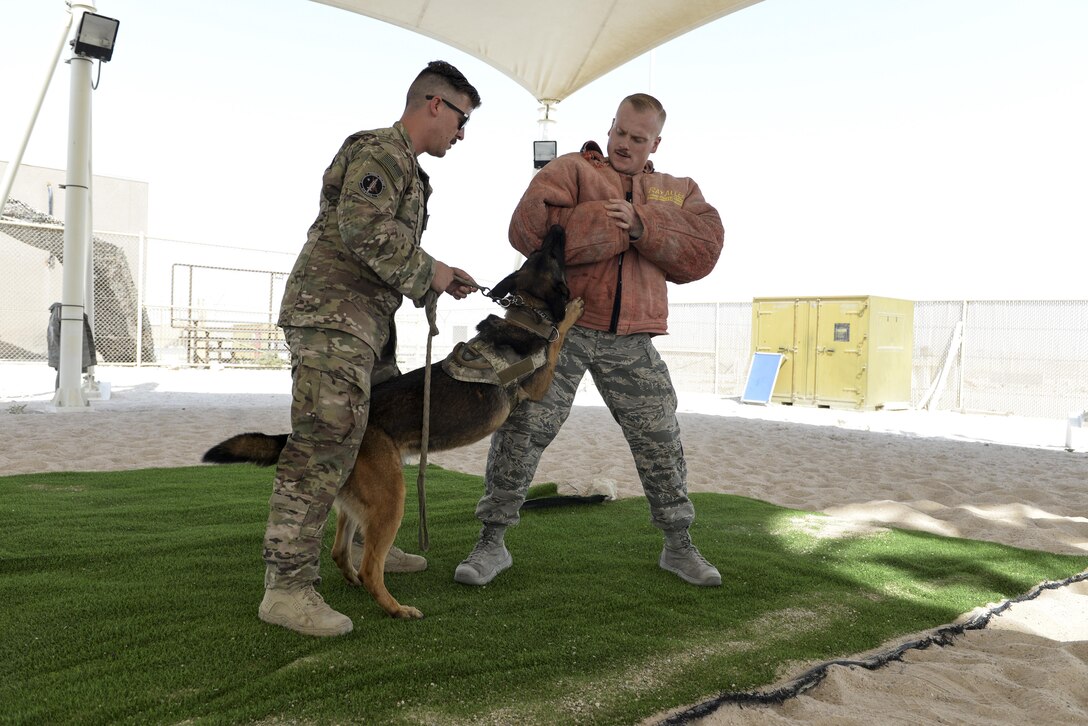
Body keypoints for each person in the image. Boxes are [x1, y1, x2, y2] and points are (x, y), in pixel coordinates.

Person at [454, 93, 725, 588]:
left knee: (660, 439)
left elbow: (703, 250)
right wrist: (607, 222)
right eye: (619, 132)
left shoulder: (677, 190)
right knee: (523, 425)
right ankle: (491, 541)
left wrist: (644, 225)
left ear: (655, 142)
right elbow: (527, 230)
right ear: (611, 126)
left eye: (637, 138)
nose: (624, 143)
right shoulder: (572, 168)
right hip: (563, 331)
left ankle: (678, 545)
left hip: (632, 340)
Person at [260, 60, 481, 637]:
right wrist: (430, 272)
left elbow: (388, 246)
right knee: (322, 447)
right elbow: (362, 231)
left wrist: (436, 276)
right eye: (461, 119)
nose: (461, 134)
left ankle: (371, 542)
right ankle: (286, 589)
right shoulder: (382, 153)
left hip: (366, 324)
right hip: (333, 318)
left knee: (373, 434)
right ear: (435, 104)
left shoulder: (407, 168)